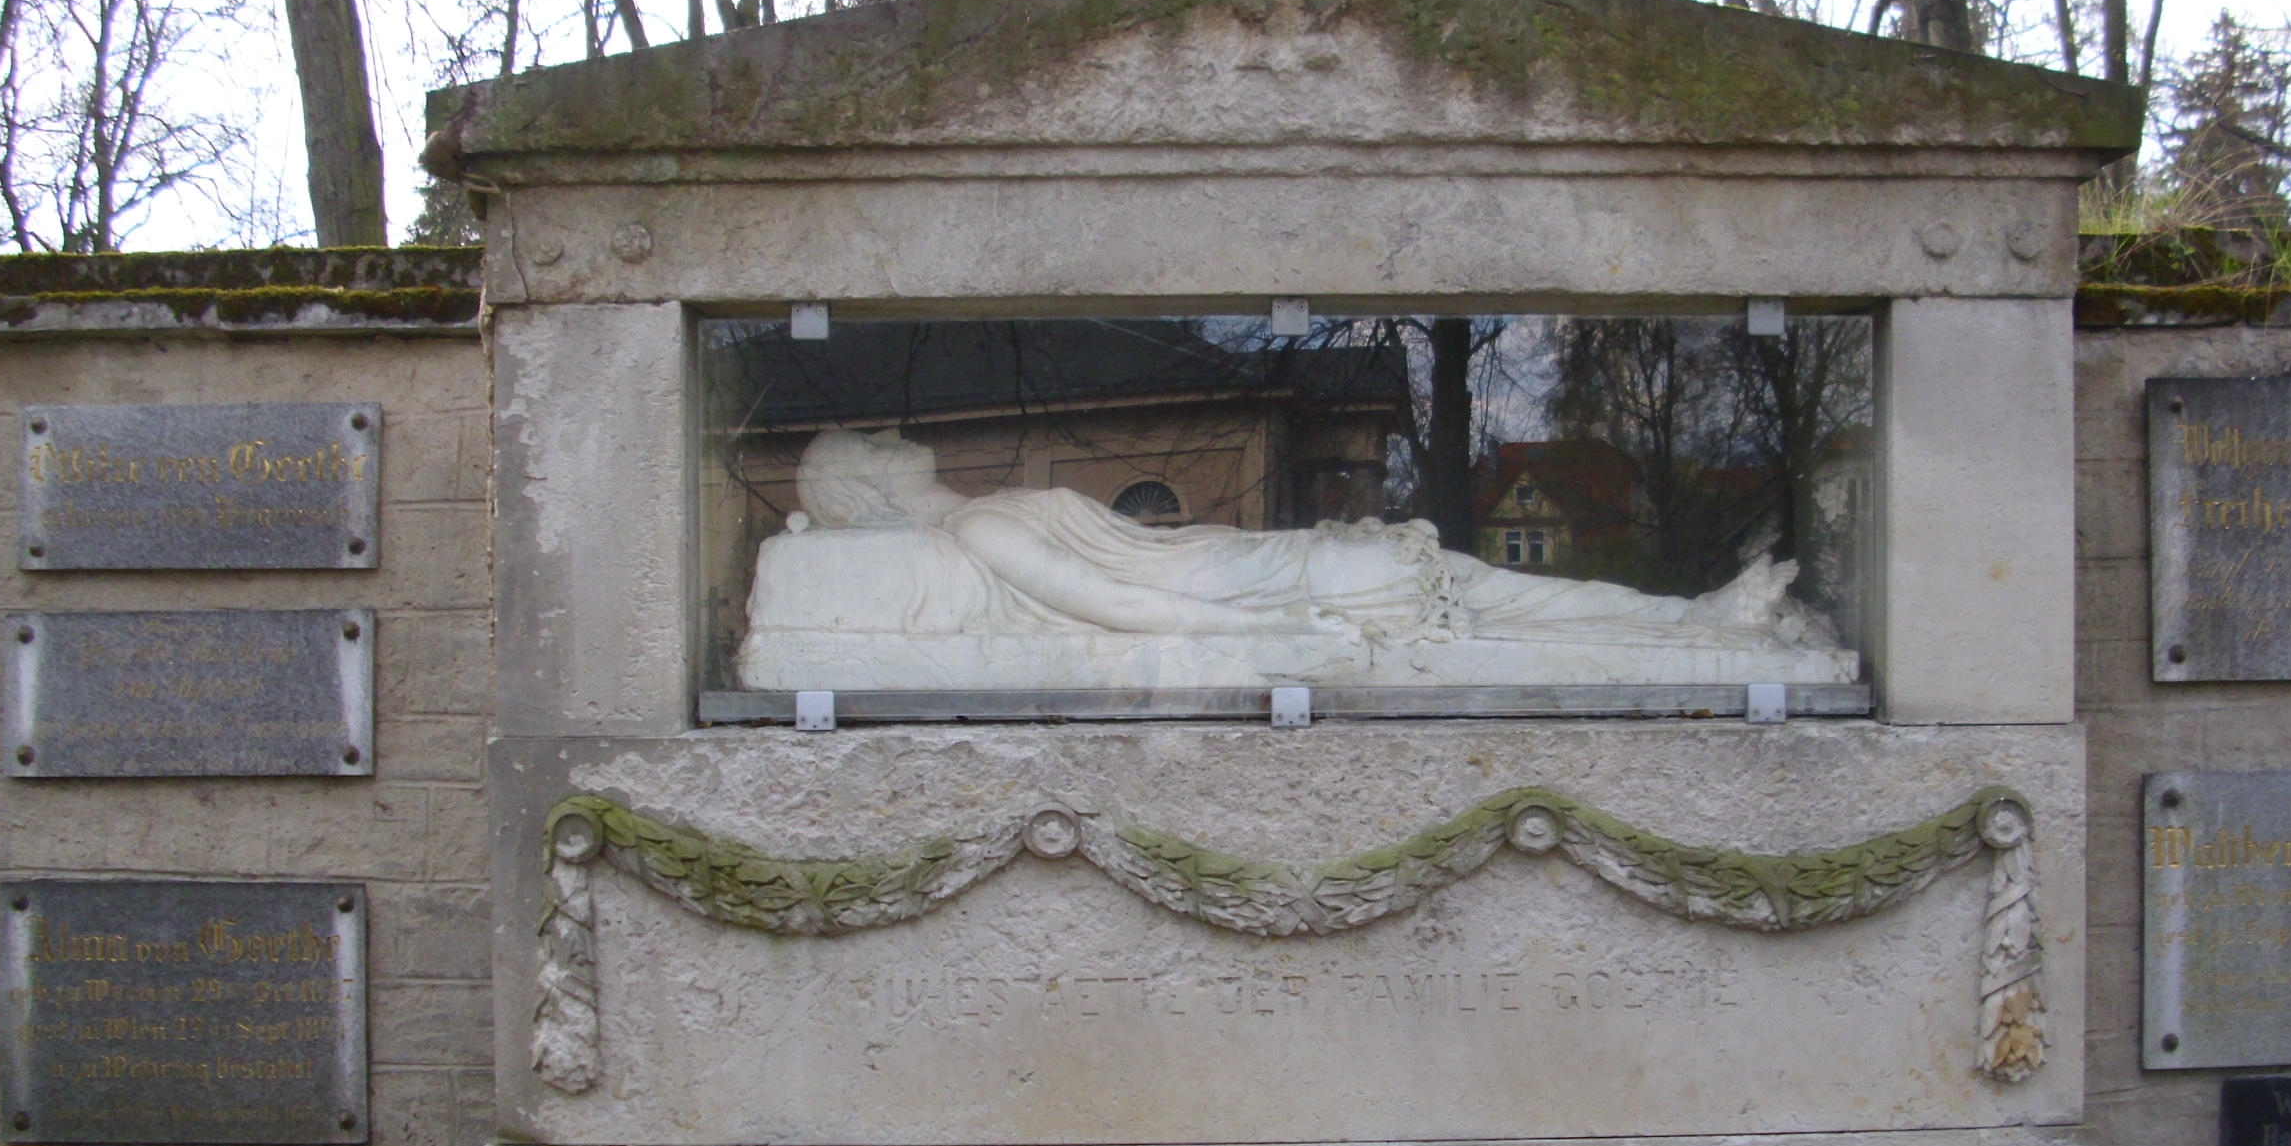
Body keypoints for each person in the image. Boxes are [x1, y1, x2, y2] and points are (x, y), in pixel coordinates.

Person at [767, 428, 1831, 650]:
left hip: (1258, 570)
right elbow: (1124, 610)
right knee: (1496, 607)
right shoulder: (987, 528)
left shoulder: (989, 512)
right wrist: (1280, 625)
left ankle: (1698, 624)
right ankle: (1698, 624)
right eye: (875, 440)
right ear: (870, 492)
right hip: (1260, 587)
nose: (900, 434)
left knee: (1499, 610)